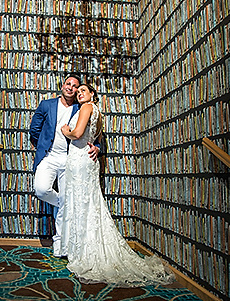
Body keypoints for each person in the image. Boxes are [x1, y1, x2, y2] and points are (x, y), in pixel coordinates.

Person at [59, 83, 174, 285]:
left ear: (92, 94)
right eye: (78, 93)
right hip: (86, 160)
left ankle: (85, 251)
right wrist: (94, 145)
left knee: (81, 203)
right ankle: (86, 246)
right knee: (88, 203)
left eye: (83, 90)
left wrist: (65, 130)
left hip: (79, 160)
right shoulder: (98, 113)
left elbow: (77, 134)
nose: (79, 94)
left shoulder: (87, 107)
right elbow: (97, 137)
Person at [29, 74, 99, 256]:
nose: (71, 87)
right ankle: (64, 203)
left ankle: (60, 245)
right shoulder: (47, 104)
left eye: (75, 86)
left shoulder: (81, 106)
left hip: (70, 159)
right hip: (49, 156)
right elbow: (34, 130)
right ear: (63, 85)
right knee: (41, 189)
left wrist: (97, 147)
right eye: (68, 83)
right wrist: (44, 144)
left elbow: (93, 130)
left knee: (65, 201)